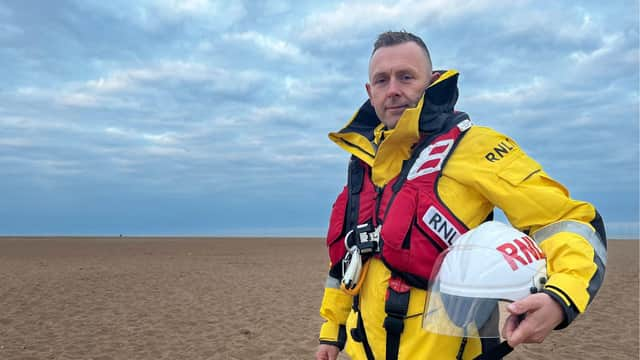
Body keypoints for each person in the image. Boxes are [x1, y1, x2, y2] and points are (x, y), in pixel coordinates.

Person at [315, 31, 607, 360]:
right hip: (359, 351)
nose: (393, 89)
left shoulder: (475, 147)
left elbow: (565, 219)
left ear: (430, 80)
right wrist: (332, 331)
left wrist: (560, 296)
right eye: (381, 80)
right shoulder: (363, 164)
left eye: (406, 77)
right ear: (369, 92)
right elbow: (348, 256)